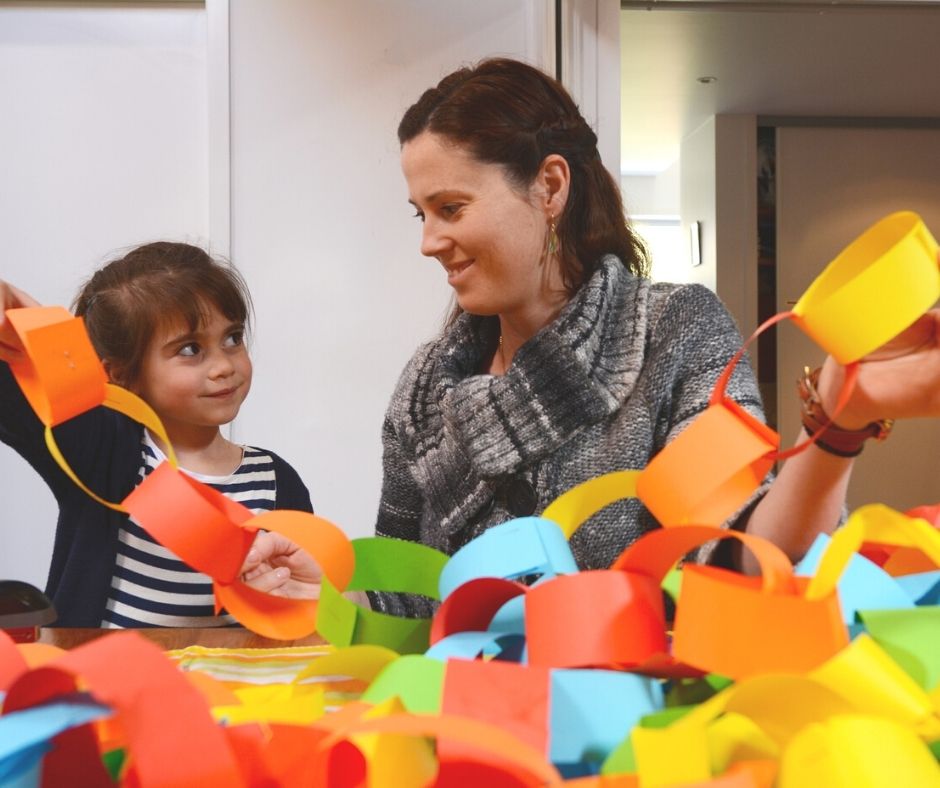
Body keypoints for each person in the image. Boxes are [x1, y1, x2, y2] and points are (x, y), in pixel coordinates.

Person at [244, 57, 940, 616]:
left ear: (549, 187)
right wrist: (328, 595)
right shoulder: (427, 388)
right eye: (419, 214)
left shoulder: (672, 332)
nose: (429, 242)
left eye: (450, 208)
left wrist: (841, 424)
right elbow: (412, 597)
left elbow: (748, 557)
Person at [0, 242, 313, 627]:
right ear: (118, 374)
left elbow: (298, 601)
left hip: (231, 682)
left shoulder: (276, 480)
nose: (222, 366)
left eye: (232, 338)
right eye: (191, 349)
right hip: (106, 682)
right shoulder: (107, 455)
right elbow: (14, 401)